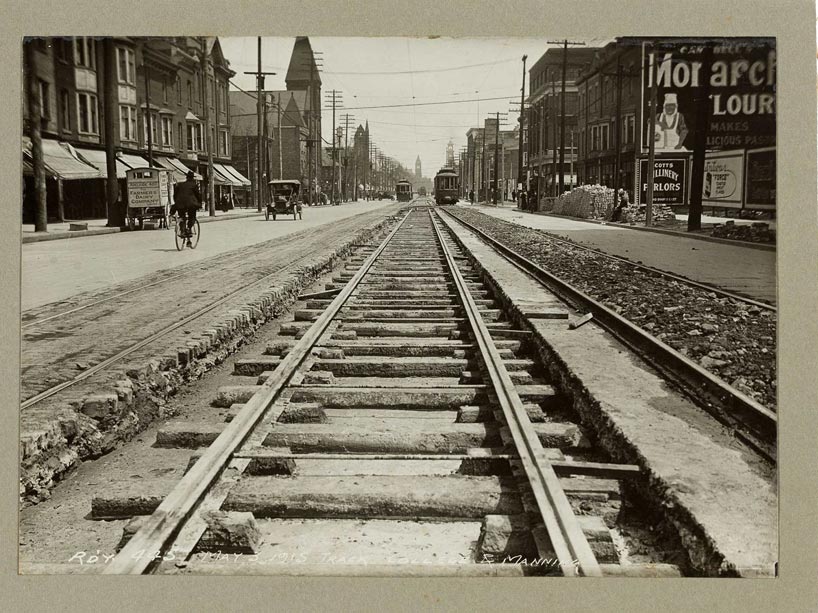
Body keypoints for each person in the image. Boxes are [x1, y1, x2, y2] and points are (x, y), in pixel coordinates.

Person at [171, 171, 201, 247]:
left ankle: (182, 231)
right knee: (192, 216)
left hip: (180, 204)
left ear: (187, 178)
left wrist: (177, 203)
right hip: (190, 204)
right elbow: (198, 195)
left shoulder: (180, 185)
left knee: (182, 217)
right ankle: (189, 228)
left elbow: (175, 195)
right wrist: (199, 203)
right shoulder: (194, 185)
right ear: (193, 178)